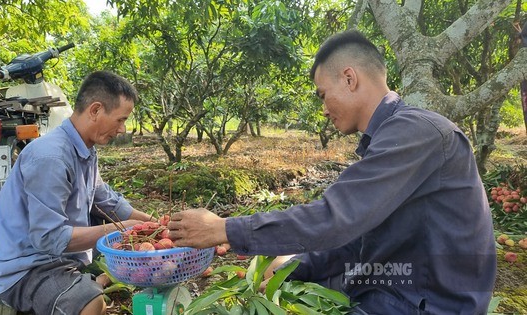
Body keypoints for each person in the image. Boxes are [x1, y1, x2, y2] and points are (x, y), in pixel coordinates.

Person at [168, 30, 496, 314]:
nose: (323, 109)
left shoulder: (417, 132)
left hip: (427, 302)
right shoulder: (391, 139)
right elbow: (357, 238)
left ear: (350, 78)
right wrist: (294, 269)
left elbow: (335, 218)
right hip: (398, 285)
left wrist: (224, 228)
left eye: (323, 95)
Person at [0, 70, 151, 315]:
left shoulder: (85, 148)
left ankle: (90, 280)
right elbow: (49, 238)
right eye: (120, 119)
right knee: (91, 303)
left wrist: (152, 224)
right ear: (95, 110)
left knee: (121, 255)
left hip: (66, 258)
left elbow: (104, 200)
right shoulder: (51, 157)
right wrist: (123, 229)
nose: (122, 129)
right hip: (29, 268)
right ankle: (83, 290)